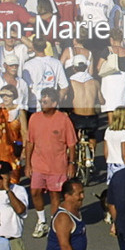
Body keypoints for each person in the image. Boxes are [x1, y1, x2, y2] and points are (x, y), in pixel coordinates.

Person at [25, 87, 78, 237]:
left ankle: (54, 223)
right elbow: (30, 142)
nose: (43, 104)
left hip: (57, 166)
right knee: (35, 192)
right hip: (38, 165)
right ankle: (41, 221)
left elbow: (71, 144)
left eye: (46, 102)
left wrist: (71, 163)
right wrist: (28, 164)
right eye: (42, 101)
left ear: (54, 103)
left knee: (55, 196)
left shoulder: (63, 119)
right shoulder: (34, 118)